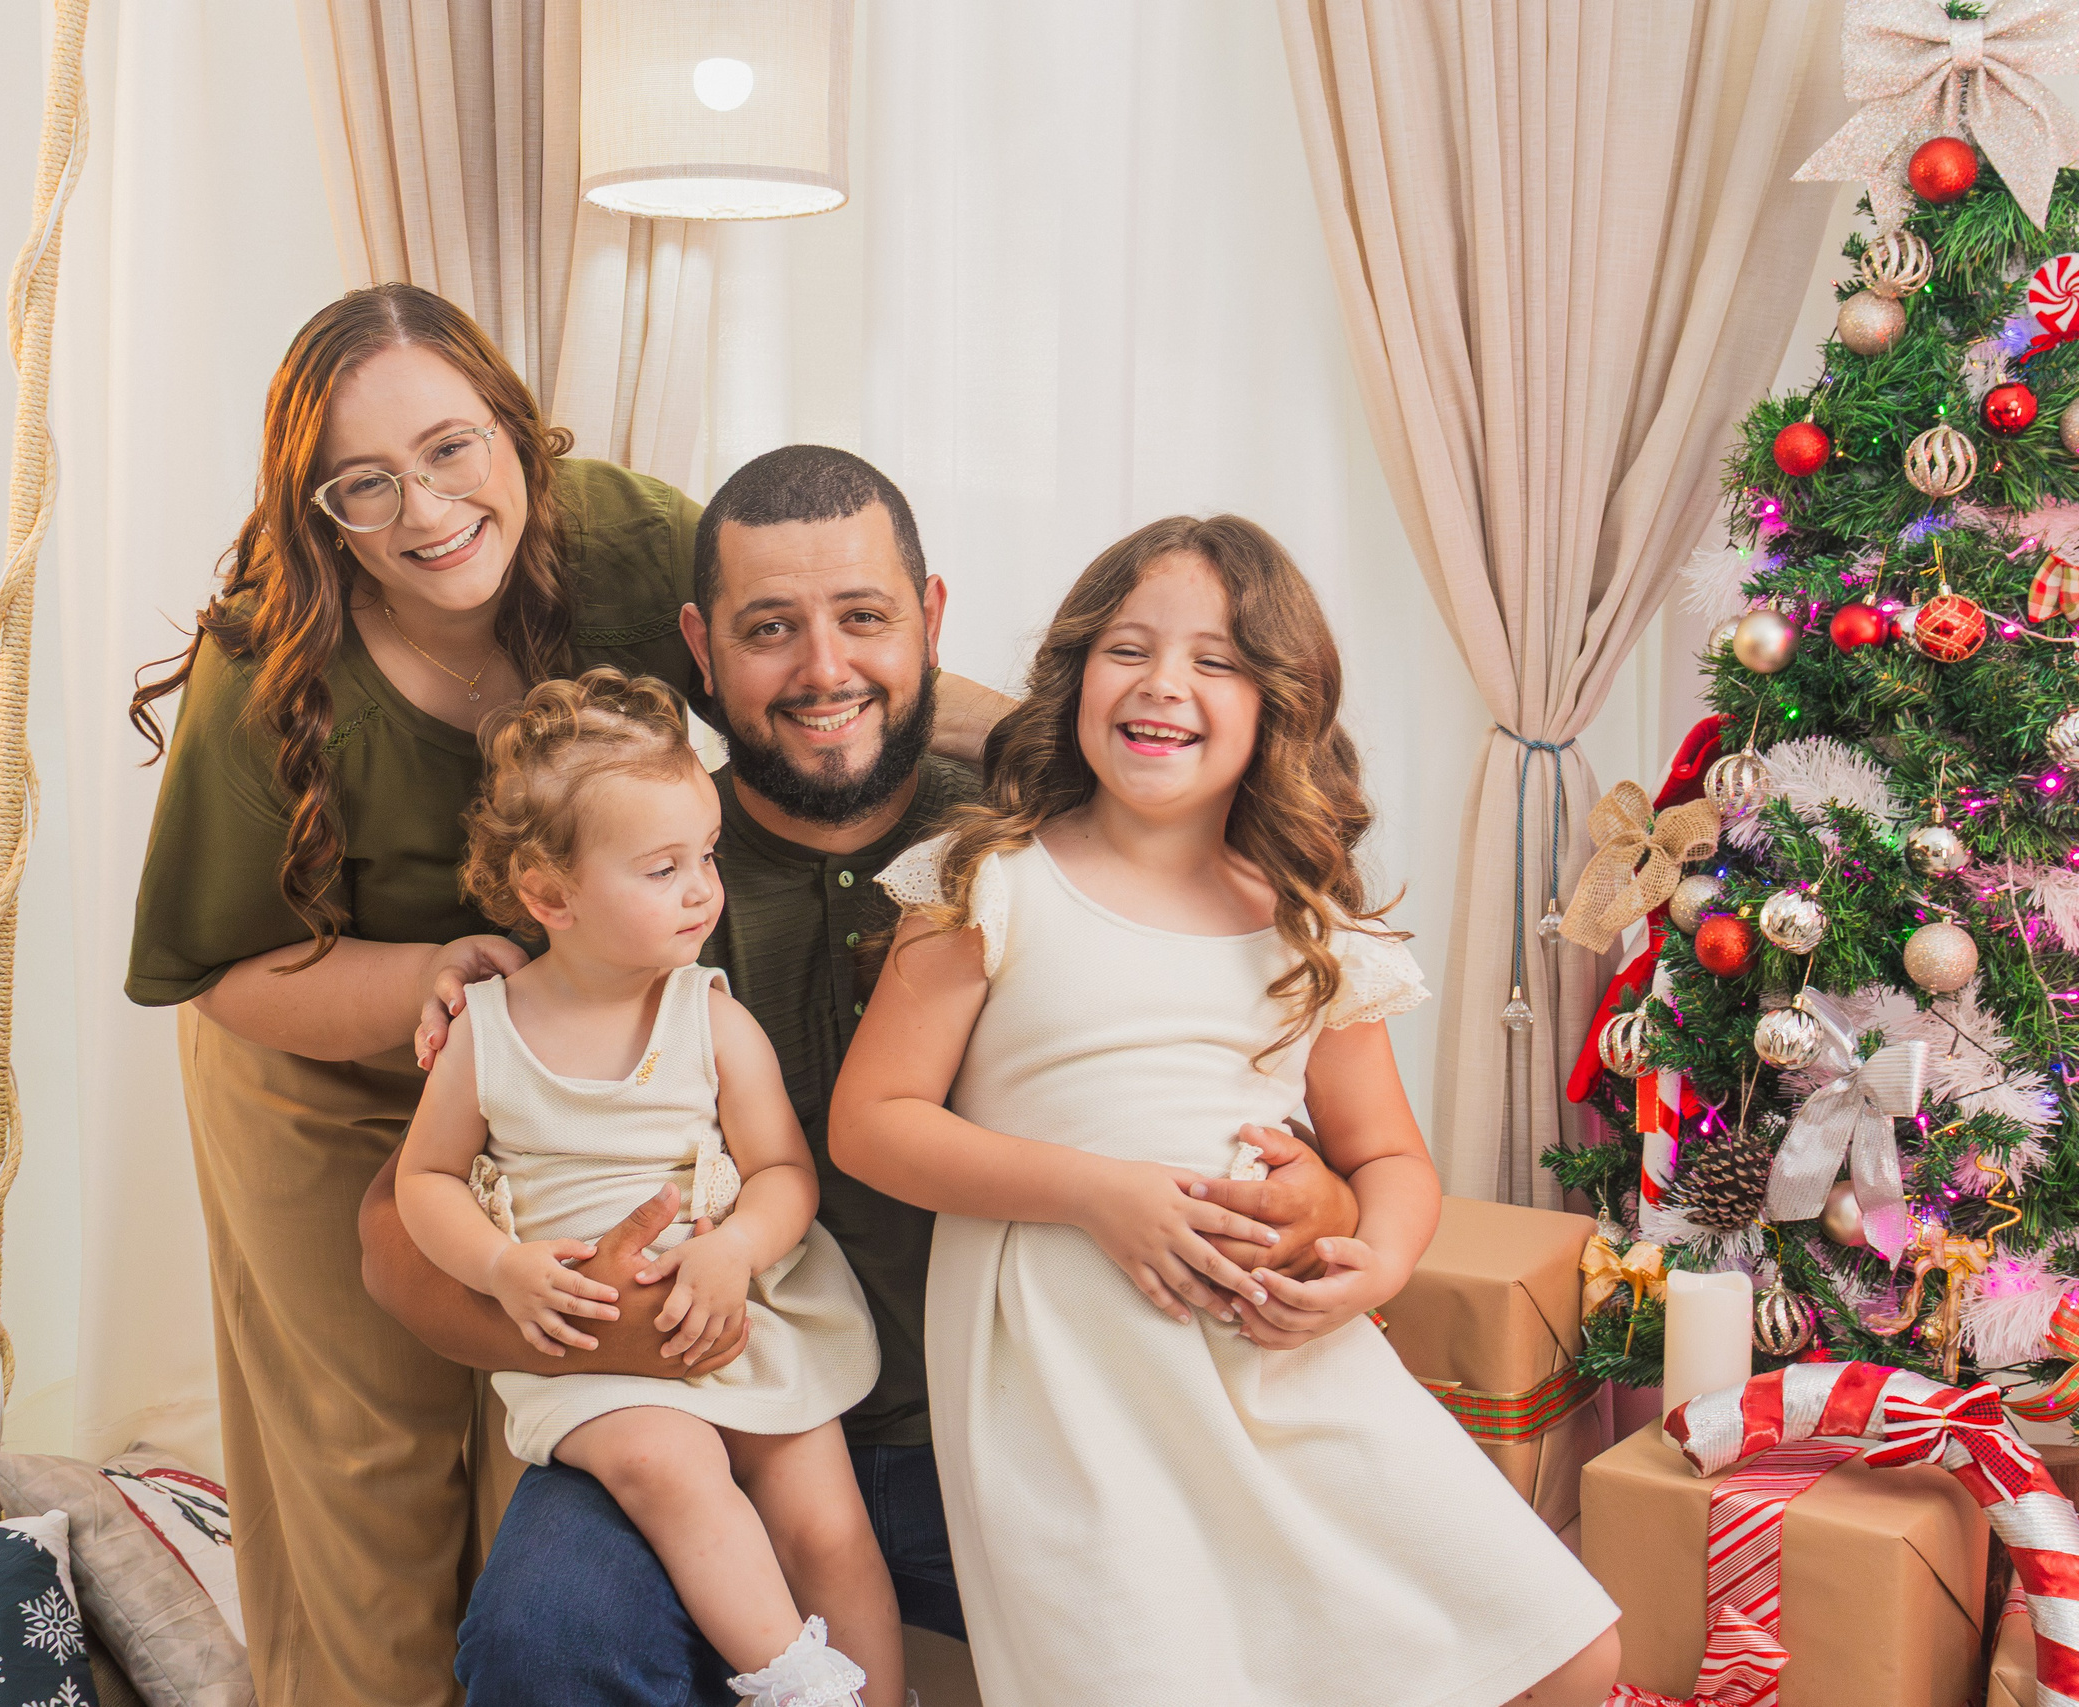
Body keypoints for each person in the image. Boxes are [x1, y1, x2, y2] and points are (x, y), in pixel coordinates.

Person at [356, 448, 1368, 1704]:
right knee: (544, 1639)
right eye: (769, 629)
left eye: (865, 619)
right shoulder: (627, 861)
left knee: (1267, 1603)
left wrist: (1327, 1203)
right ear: (701, 647)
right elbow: (398, 1238)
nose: (824, 670)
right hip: (697, 1418)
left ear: (930, 620)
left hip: (1015, 1430)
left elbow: (1266, 1095)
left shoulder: (1026, 855)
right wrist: (604, 1331)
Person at [123, 287, 1012, 1707]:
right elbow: (222, 967)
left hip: (596, 1004)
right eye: (366, 482)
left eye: (453, 448)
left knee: (541, 1468)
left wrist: (1068, 737)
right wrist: (432, 985)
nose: (425, 509)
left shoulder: (618, 537)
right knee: (373, 1461)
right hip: (330, 1030)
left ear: (516, 431)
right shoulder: (271, 666)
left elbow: (812, 652)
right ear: (319, 509)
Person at [827, 513, 1623, 1707]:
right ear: (1075, 675)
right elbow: (873, 1122)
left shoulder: (1304, 920)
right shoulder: (991, 884)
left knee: (1559, 1648)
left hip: (1278, 1359)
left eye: (1216, 661)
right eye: (1128, 649)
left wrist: (1373, 1266)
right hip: (1073, 1383)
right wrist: (1099, 1194)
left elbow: (1391, 1157)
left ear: (1277, 707)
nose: (1163, 686)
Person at [397, 669, 899, 1707]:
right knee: (668, 1467)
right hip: (591, 1357)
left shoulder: (707, 1016)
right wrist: (502, 1266)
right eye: (664, 867)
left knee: (826, 1517)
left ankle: (880, 1701)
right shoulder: (485, 1034)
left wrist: (732, 1250)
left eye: (704, 856)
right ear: (550, 896)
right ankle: (796, 1685)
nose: (701, 889)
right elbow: (426, 1181)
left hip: (734, 1311)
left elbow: (781, 1175)